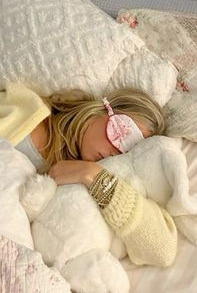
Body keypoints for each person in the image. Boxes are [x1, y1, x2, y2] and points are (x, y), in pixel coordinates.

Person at [0, 82, 177, 267]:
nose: (114, 152)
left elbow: (163, 250)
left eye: (126, 152)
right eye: (121, 135)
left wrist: (93, 175)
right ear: (104, 108)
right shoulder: (24, 108)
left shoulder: (103, 187)